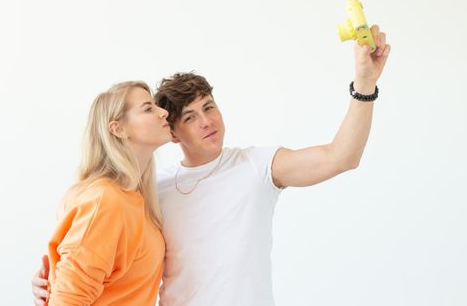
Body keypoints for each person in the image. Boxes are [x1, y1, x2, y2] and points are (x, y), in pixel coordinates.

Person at [33, 25, 390, 306]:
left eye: (209, 107)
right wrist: (50, 286)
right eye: (189, 116)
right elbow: (91, 271)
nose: (206, 121)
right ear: (171, 132)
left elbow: (341, 157)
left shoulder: (257, 165)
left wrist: (364, 85)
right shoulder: (150, 194)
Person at [36, 81, 172, 305]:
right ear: (118, 128)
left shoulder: (136, 200)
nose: (163, 112)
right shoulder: (105, 201)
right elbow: (68, 299)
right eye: (148, 108)